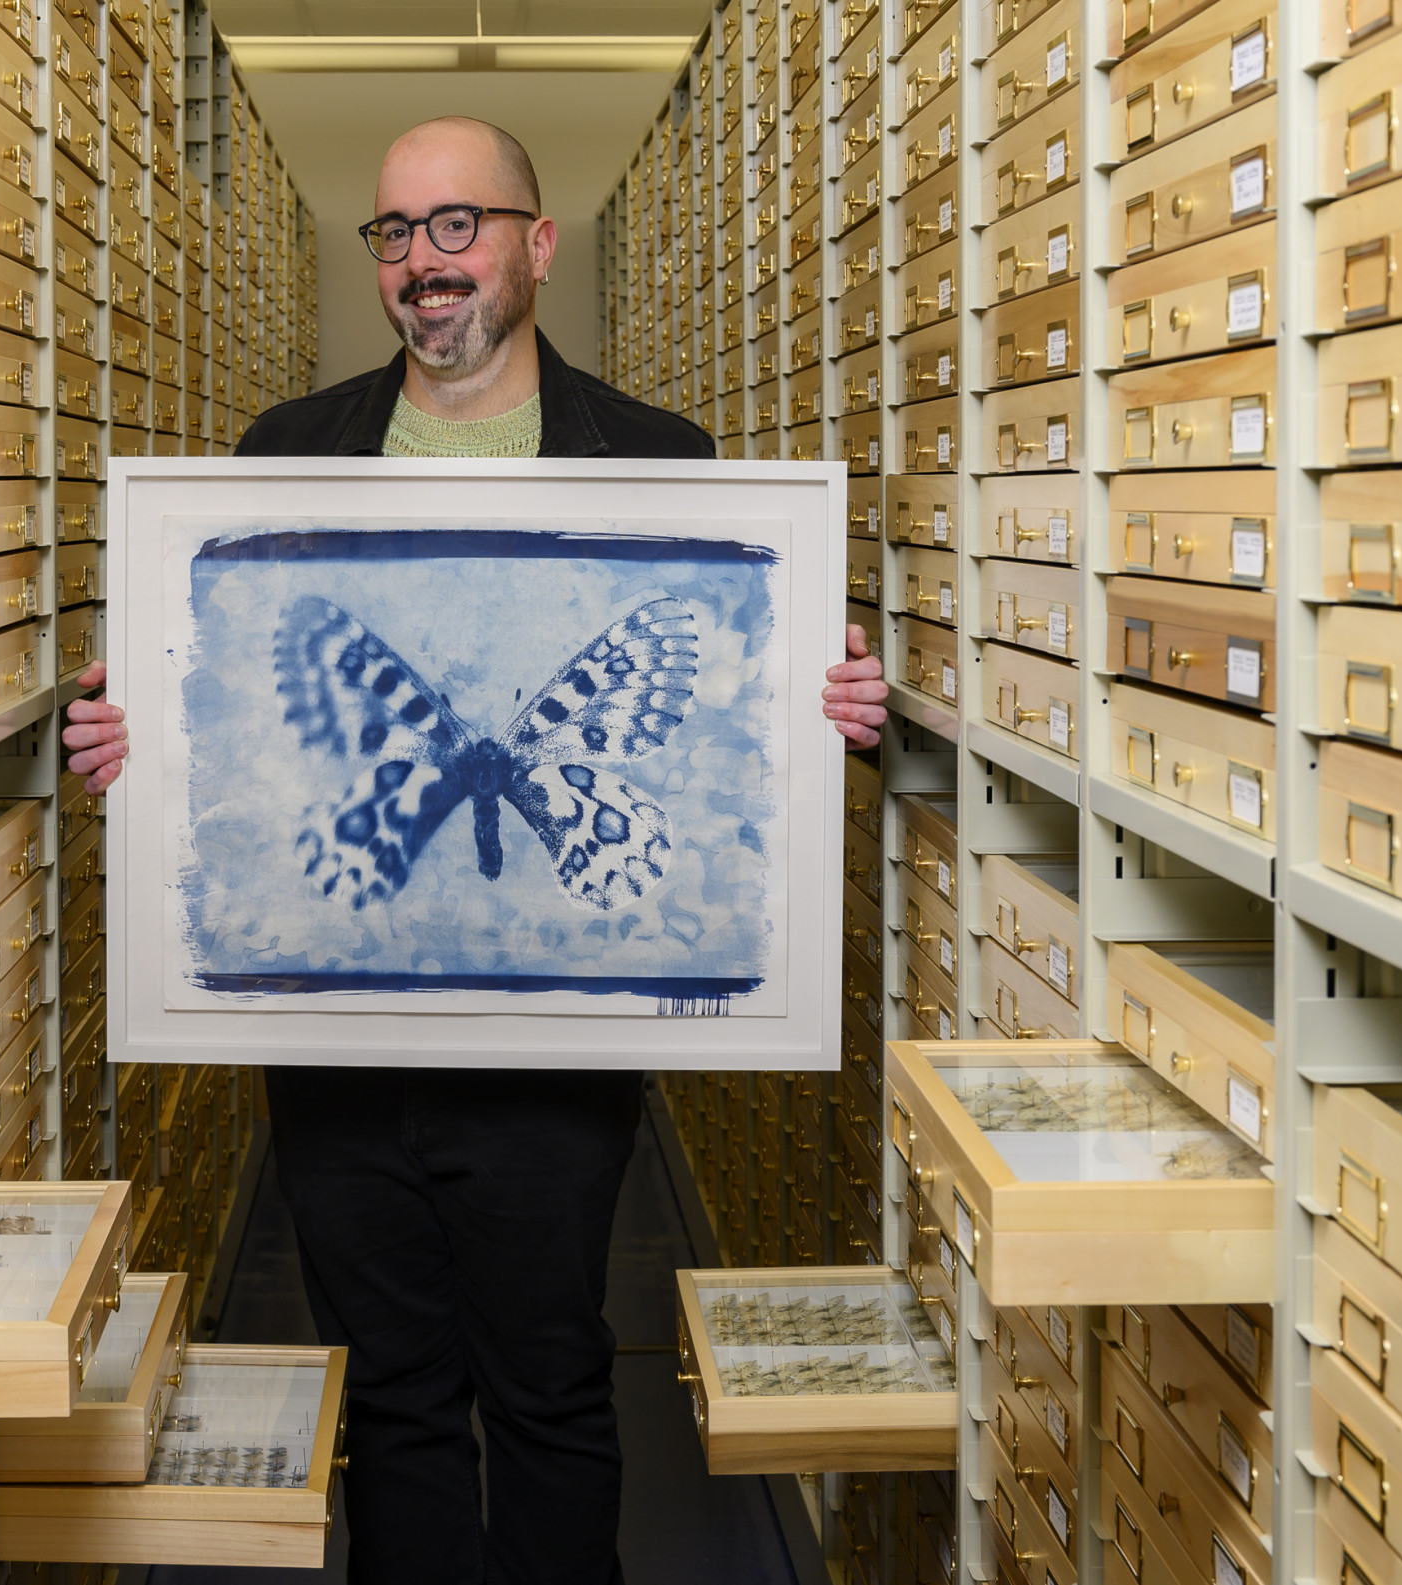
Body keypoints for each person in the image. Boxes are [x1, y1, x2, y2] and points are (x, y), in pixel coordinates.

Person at [63, 116, 889, 1584]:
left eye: (459, 226)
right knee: (391, 1401)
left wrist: (832, 706)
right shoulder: (279, 457)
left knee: (554, 1388)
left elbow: (724, 733)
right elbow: (229, 718)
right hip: (336, 1056)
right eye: (396, 234)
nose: (426, 263)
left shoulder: (663, 462)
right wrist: (134, 747)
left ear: (535, 244)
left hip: (552, 1066)